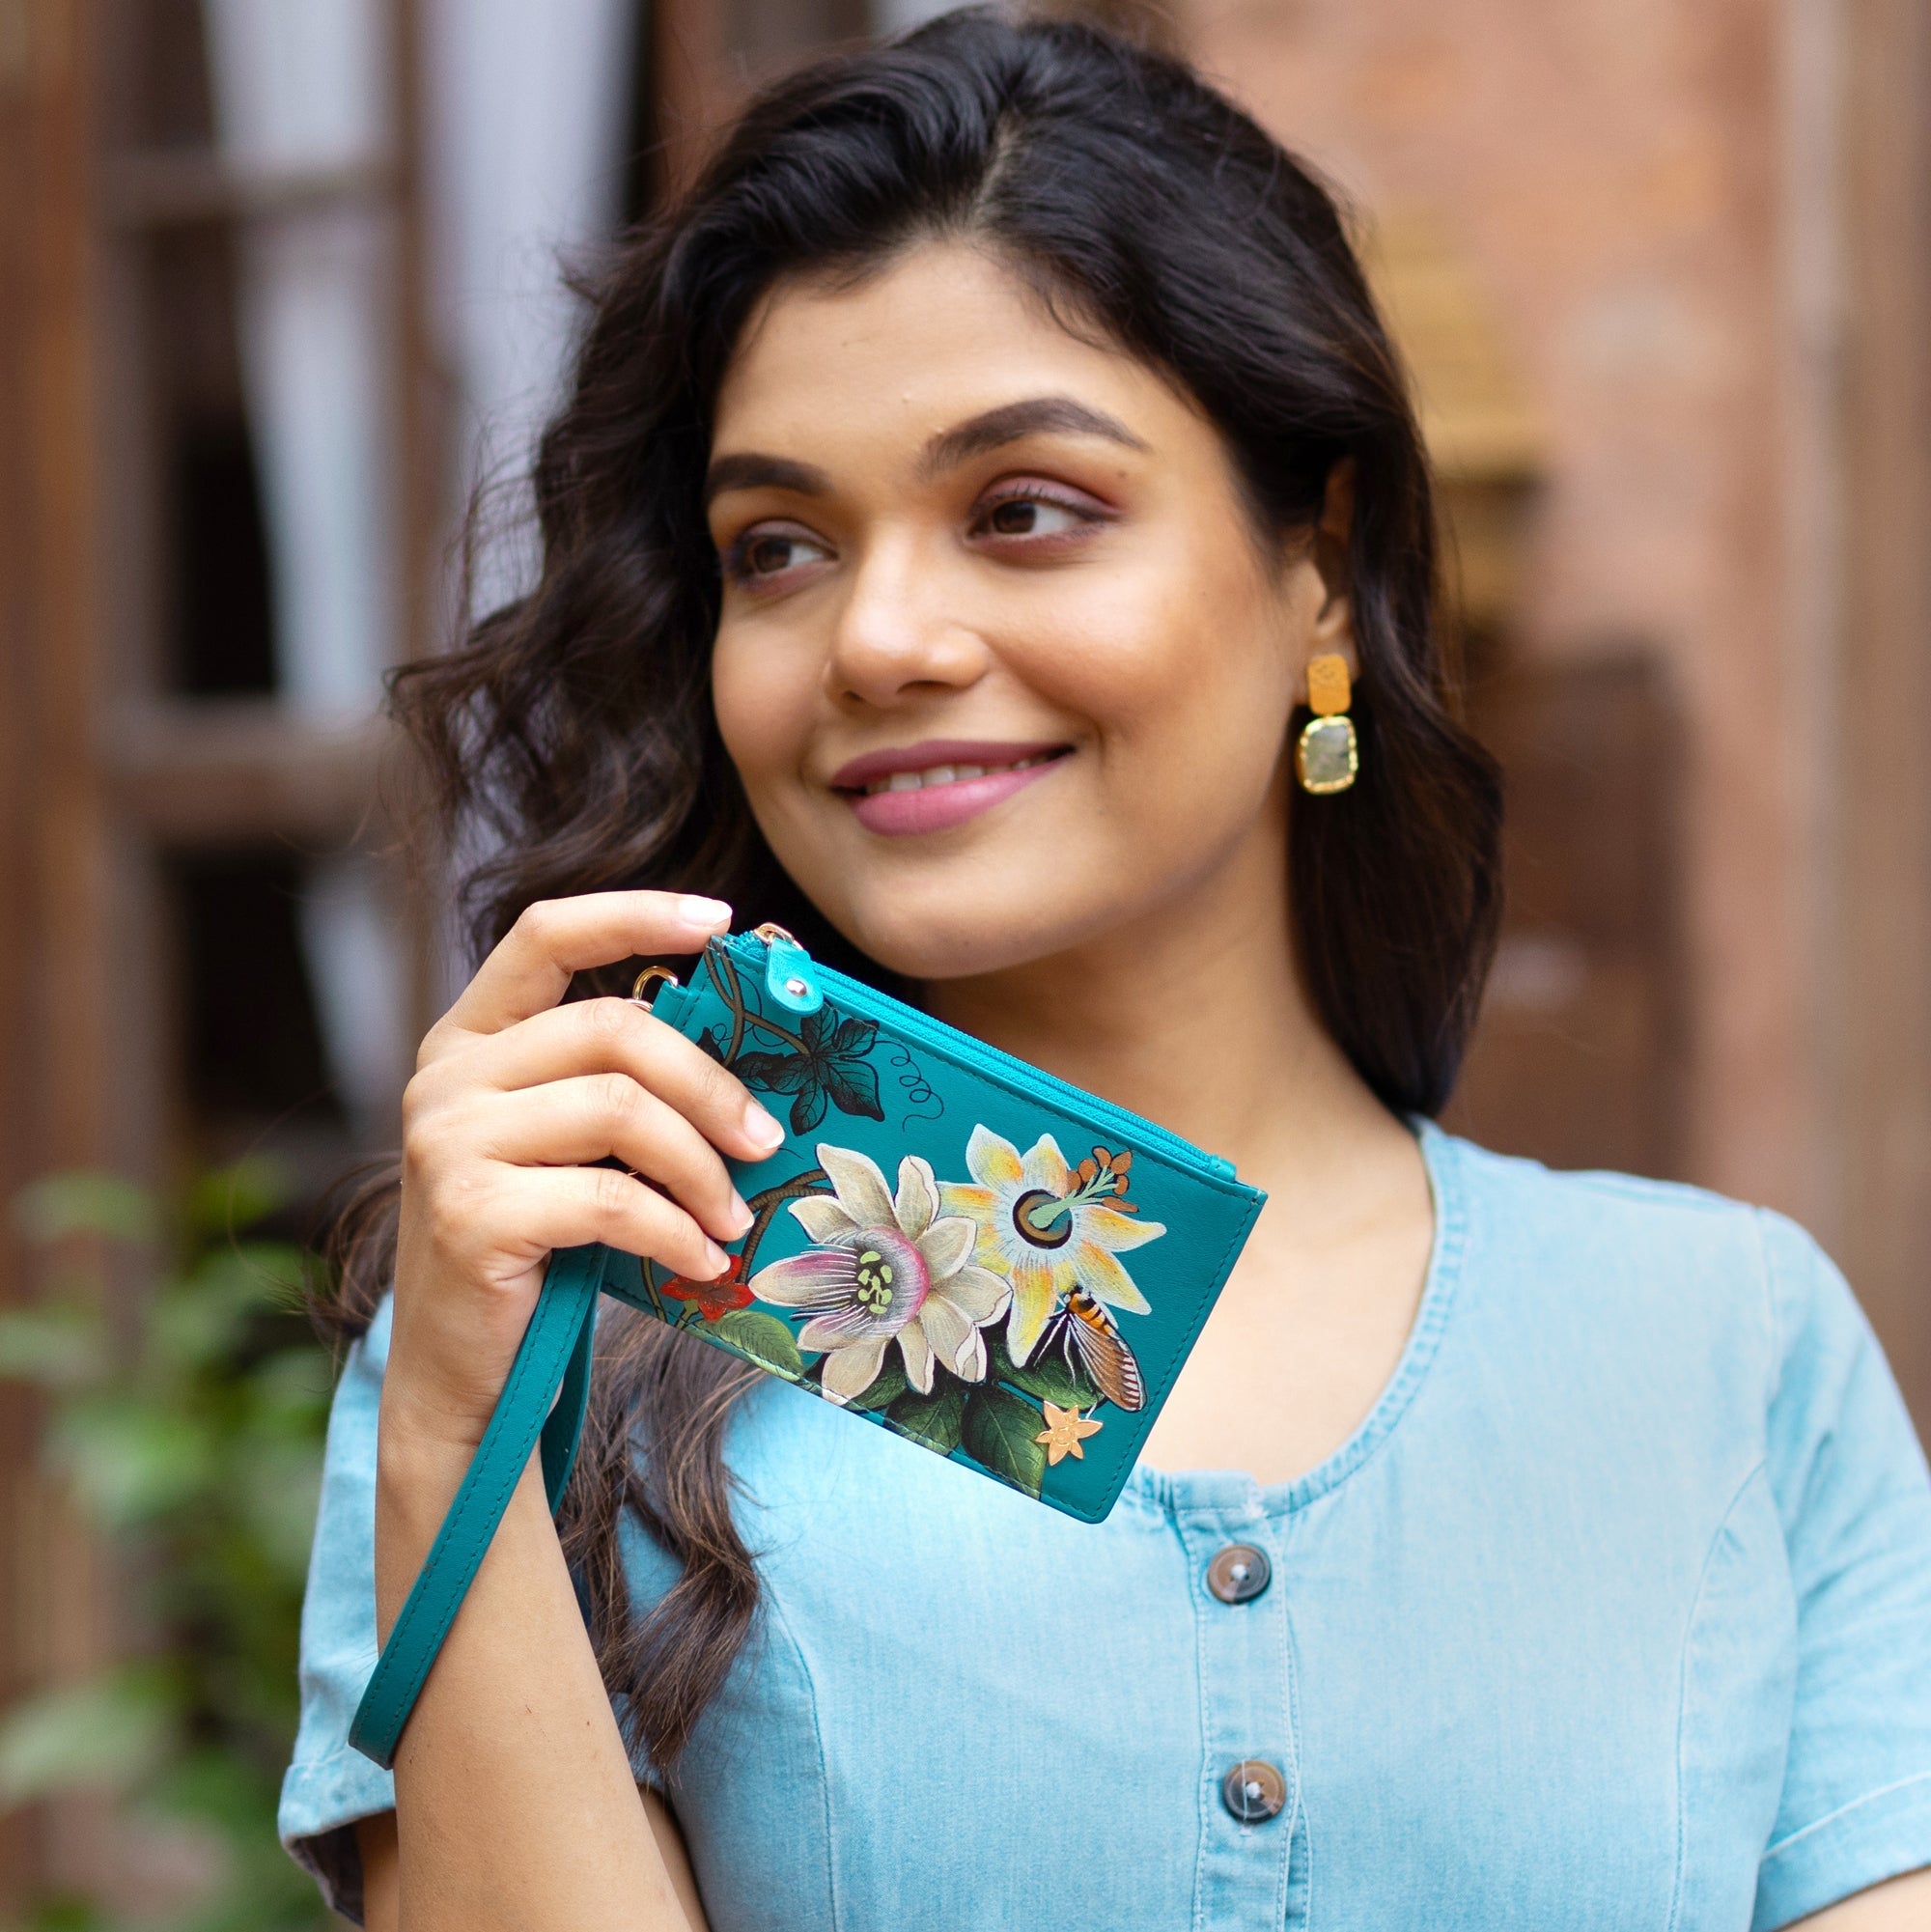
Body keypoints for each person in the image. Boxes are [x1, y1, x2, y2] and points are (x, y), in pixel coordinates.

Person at [276, 13, 1931, 1928]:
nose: (883, 633)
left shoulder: (1723, 1349)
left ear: (1319, 558)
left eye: (1023, 510)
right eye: (780, 544)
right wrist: (458, 1428)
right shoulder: (564, 1323)